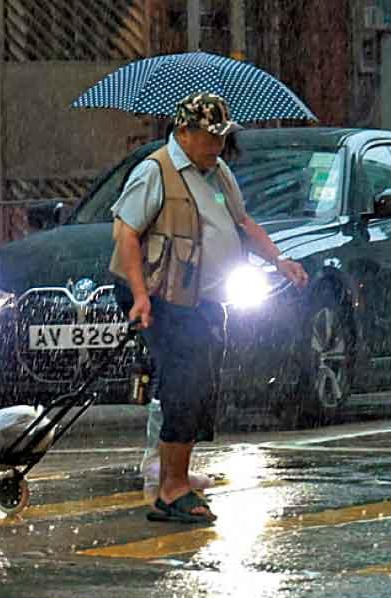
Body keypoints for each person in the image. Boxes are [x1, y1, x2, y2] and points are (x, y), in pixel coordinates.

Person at [110, 91, 307, 522]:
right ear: (184, 132)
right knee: (184, 380)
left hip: (203, 296)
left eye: (222, 137)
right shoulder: (156, 170)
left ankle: (176, 473)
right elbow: (125, 233)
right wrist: (141, 296)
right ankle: (171, 488)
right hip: (164, 293)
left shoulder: (217, 173)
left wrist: (278, 259)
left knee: (200, 382)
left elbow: (241, 222)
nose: (217, 146)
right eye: (209, 137)